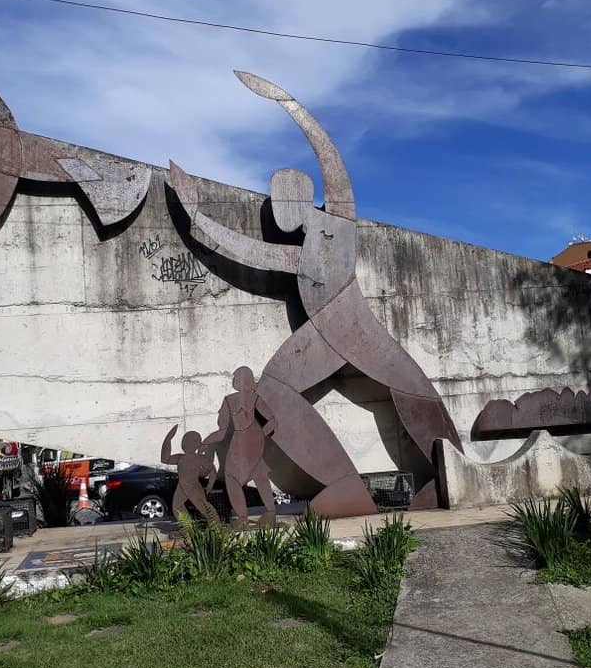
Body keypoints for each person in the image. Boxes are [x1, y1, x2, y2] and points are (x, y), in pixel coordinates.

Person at [170, 71, 462, 514]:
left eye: (284, 197)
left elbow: (333, 164)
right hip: (323, 335)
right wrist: (195, 214)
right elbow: (248, 250)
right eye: (276, 197)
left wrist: (288, 104)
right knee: (269, 391)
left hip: (350, 323)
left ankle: (452, 473)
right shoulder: (299, 252)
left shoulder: (339, 220)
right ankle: (346, 487)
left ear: (302, 196)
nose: (279, 207)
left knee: (414, 391)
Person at [203, 366, 277, 529]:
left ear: (238, 381)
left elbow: (222, 431)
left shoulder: (229, 400)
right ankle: (270, 513)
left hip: (241, 440)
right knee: (260, 474)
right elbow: (272, 421)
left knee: (231, 477)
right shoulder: (255, 398)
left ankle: (243, 517)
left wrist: (206, 440)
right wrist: (260, 435)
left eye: (235, 377)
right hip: (254, 439)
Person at [160, 424, 220, 523]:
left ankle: (216, 526)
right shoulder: (181, 457)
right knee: (177, 507)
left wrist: (210, 485)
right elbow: (165, 459)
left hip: (194, 486)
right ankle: (187, 527)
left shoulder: (199, 458)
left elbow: (212, 471)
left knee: (203, 506)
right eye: (184, 441)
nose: (184, 443)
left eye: (188, 441)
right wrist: (168, 440)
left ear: (196, 444)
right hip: (182, 487)